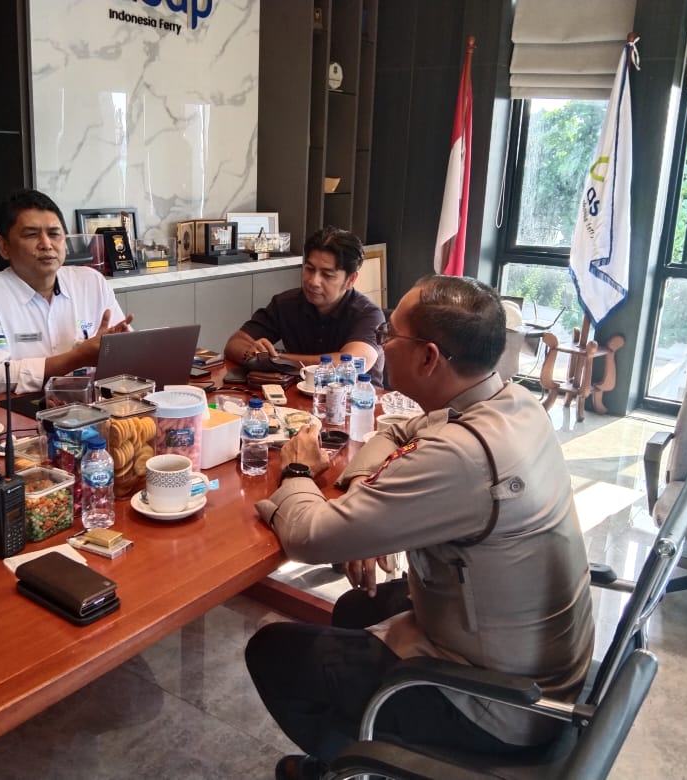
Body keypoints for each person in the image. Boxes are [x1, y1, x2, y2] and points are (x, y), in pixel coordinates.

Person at [245, 275, 594, 780]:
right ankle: (358, 756)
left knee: (273, 651)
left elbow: (309, 537)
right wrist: (370, 500)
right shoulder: (512, 402)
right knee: (355, 606)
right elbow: (398, 430)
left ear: (429, 358)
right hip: (530, 659)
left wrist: (297, 469)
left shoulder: (464, 456)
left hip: (501, 703)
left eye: (390, 334)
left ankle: (362, 766)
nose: (383, 343)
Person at [0, 189, 133, 396]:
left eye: (54, 234)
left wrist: (116, 348)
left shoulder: (91, 281)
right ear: (4, 246)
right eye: (31, 234)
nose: (46, 244)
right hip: (15, 409)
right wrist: (78, 357)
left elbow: (127, 354)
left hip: (88, 404)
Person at [224, 226, 385, 383]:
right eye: (309, 269)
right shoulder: (285, 303)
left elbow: (350, 365)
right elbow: (235, 344)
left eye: (327, 275)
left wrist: (276, 359)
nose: (313, 281)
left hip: (355, 397)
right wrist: (253, 353)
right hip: (298, 394)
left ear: (350, 280)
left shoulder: (368, 315)